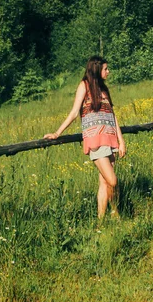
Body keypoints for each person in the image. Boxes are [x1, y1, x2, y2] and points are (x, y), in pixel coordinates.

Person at [44, 55, 126, 219]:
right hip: (95, 140)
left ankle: (100, 222)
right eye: (105, 69)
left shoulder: (103, 89)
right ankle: (115, 212)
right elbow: (74, 112)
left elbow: (112, 115)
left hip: (109, 139)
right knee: (113, 181)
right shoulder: (84, 86)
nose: (108, 72)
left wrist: (121, 141)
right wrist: (57, 133)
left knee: (104, 183)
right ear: (96, 69)